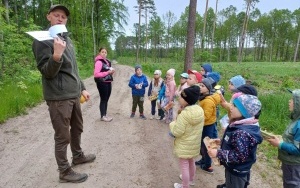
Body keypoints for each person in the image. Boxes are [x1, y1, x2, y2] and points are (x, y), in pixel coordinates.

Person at [32, 4, 95, 183]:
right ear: (48, 17)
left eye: (63, 17)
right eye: (56, 15)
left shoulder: (66, 39)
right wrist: (56, 56)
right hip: (58, 97)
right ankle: (64, 171)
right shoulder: (42, 40)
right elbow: (47, 71)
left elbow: (73, 69)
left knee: (77, 128)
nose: (60, 18)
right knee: (62, 136)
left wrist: (82, 87)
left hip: (74, 94)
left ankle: (78, 155)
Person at [208, 94, 263, 188]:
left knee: (234, 184)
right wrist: (222, 141)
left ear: (245, 112)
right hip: (239, 169)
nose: (231, 108)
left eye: (235, 106)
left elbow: (239, 156)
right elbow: (237, 143)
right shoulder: (243, 124)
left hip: (236, 170)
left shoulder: (241, 132)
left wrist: (218, 153)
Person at [170, 85, 204, 188]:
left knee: (184, 165)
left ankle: (185, 186)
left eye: (181, 97)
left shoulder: (185, 114)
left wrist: (172, 124)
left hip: (184, 144)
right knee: (191, 161)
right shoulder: (200, 110)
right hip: (194, 144)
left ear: (186, 100)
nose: (179, 98)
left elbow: (177, 132)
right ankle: (191, 180)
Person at [267, 89, 300, 188]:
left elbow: (298, 149)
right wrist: (281, 139)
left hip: (293, 164)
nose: (289, 102)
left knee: (292, 185)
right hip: (289, 162)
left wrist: (280, 144)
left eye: (292, 100)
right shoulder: (296, 119)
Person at [195, 78, 221, 174]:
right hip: (206, 125)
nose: (200, 87)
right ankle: (204, 159)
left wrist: (195, 116)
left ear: (209, 89)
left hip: (207, 126)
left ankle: (208, 166)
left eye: (202, 86)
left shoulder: (208, 101)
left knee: (207, 145)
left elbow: (206, 116)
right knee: (203, 144)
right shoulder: (204, 97)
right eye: (200, 85)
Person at [94, 47, 115, 122]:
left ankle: (104, 115)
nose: (104, 53)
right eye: (102, 52)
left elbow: (108, 71)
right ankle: (103, 116)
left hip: (108, 82)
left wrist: (111, 72)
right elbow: (96, 74)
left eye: (105, 52)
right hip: (102, 82)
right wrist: (107, 72)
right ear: (99, 53)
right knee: (103, 99)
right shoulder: (99, 62)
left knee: (106, 99)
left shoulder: (107, 62)